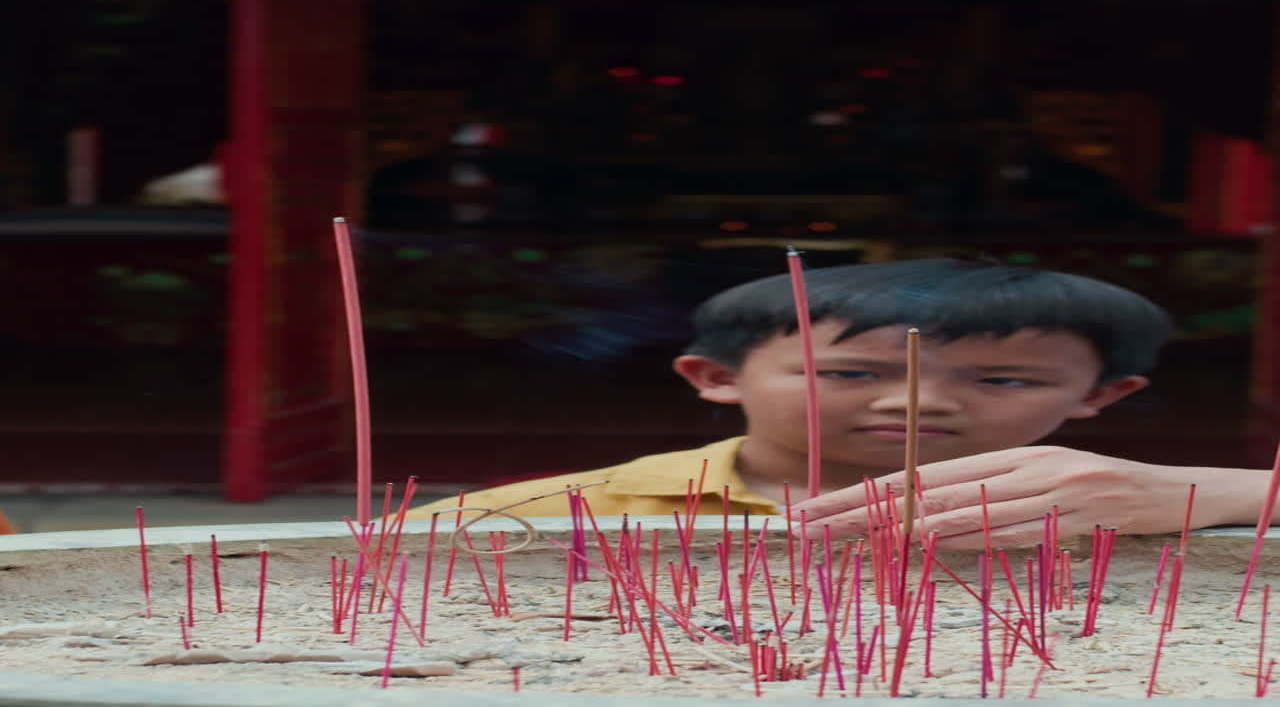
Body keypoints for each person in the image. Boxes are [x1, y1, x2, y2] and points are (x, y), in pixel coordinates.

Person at [406, 258, 1278, 547]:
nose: (917, 401)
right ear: (716, 376)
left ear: (1103, 395)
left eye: (1004, 380)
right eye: (849, 373)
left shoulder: (1144, 506)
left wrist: (1237, 494)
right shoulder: (532, 518)